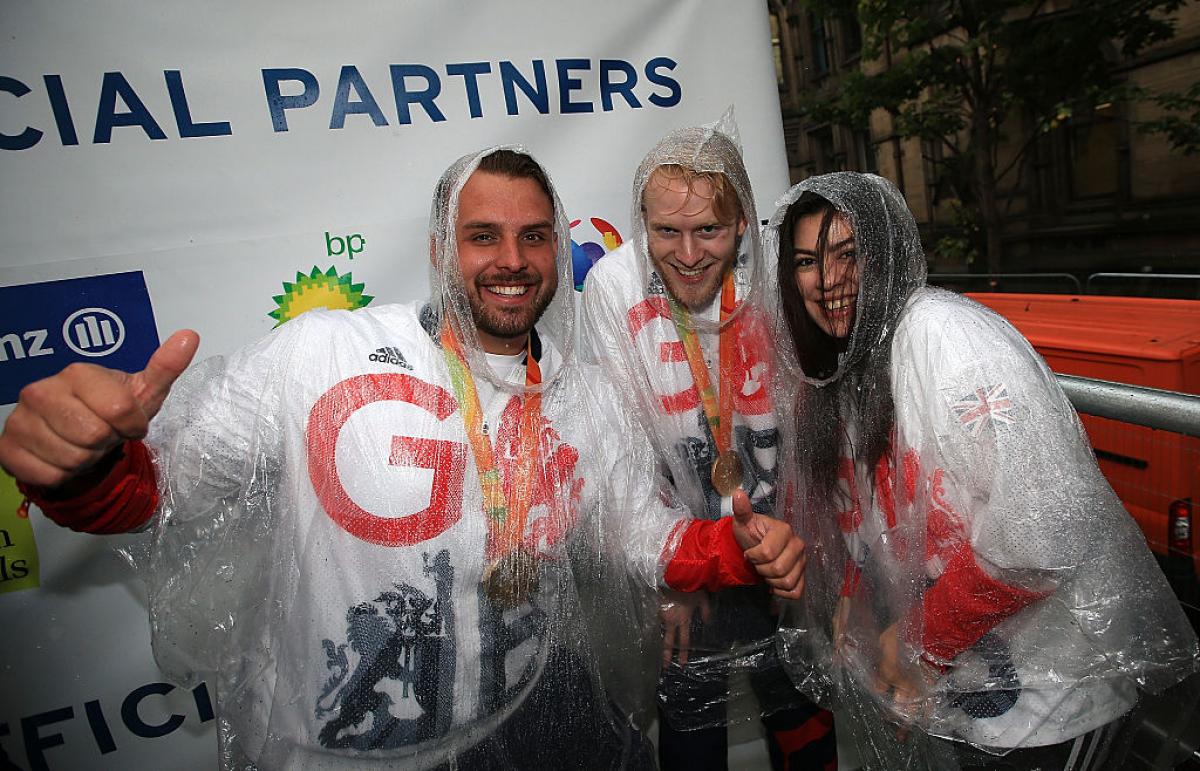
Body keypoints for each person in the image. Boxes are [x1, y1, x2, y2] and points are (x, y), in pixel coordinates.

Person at [0, 148, 807, 770]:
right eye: (482, 236)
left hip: (511, 731)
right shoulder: (326, 354)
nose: (512, 261)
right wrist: (87, 469)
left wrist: (731, 547)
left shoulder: (583, 396)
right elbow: (167, 486)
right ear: (438, 248)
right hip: (332, 753)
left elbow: (642, 534)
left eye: (533, 237)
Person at [766, 171, 1200, 769]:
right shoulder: (844, 371)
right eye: (808, 260)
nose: (829, 280)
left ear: (889, 252)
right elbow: (873, 522)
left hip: (1056, 703)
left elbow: (1044, 523)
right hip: (967, 693)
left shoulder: (949, 339)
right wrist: (861, 606)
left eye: (849, 253)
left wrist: (921, 642)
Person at [580, 117, 836, 770]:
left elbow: (817, 427)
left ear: (743, 222)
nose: (689, 253)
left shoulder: (782, 279)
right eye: (667, 231)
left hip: (787, 555)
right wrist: (671, 568)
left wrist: (810, 552)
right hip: (688, 562)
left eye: (710, 231)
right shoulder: (614, 287)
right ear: (641, 222)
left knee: (801, 705)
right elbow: (623, 453)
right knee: (691, 718)